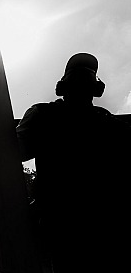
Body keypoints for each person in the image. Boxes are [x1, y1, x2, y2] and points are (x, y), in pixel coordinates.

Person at [16, 53, 131, 272]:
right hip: (78, 223)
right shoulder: (107, 123)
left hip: (69, 221)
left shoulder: (44, 114)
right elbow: (14, 151)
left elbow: (14, 151)